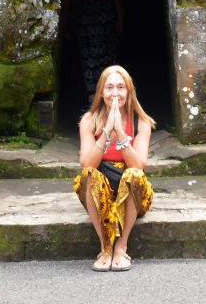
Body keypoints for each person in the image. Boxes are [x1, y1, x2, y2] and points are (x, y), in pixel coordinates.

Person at [73, 65, 155, 272]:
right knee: (89, 175)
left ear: (129, 92)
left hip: (132, 192)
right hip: (101, 191)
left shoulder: (141, 122)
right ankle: (105, 247)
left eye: (121, 87)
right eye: (109, 88)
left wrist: (120, 132)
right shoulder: (89, 121)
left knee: (134, 174)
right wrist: (107, 131)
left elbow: (139, 166)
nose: (115, 93)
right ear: (101, 92)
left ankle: (121, 246)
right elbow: (87, 164)